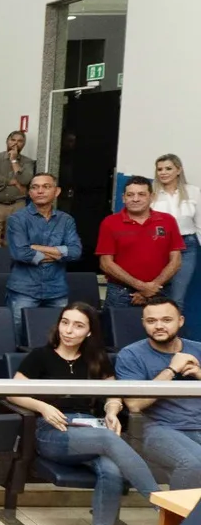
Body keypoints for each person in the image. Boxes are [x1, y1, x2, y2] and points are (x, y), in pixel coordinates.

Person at [9, 302, 158, 525]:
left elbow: (113, 392)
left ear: (89, 332)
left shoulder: (96, 358)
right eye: (65, 323)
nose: (68, 330)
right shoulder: (40, 356)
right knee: (108, 438)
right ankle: (159, 502)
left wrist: (112, 409)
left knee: (110, 469)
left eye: (78, 326)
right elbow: (12, 392)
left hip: (89, 429)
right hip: (51, 430)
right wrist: (42, 407)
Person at [115, 296, 201, 490]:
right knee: (194, 465)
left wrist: (199, 374)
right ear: (143, 323)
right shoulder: (131, 354)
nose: (159, 326)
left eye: (166, 320)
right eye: (152, 321)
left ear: (180, 321)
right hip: (158, 429)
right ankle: (176, 521)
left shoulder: (198, 349)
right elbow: (134, 404)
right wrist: (171, 370)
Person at [6, 172, 82, 338]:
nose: (40, 191)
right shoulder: (17, 219)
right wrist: (60, 253)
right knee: (18, 339)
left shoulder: (66, 220)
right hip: (24, 290)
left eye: (46, 186)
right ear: (30, 193)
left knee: (58, 338)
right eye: (35, 187)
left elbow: (76, 252)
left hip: (57, 290)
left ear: (57, 191)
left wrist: (36, 248)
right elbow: (21, 253)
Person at [99, 175, 185, 309]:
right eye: (130, 195)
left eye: (141, 194)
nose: (135, 199)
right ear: (123, 197)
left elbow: (176, 261)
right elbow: (106, 264)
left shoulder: (168, 221)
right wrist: (142, 287)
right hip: (120, 293)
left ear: (152, 196)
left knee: (159, 330)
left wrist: (152, 288)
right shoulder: (109, 223)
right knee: (118, 330)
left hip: (160, 291)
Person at [153, 154, 201, 312]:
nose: (163, 172)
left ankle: (173, 336)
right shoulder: (152, 193)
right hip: (158, 246)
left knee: (176, 298)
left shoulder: (193, 192)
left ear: (178, 170)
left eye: (168, 168)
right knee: (154, 294)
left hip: (186, 246)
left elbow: (199, 224)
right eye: (159, 169)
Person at [0, 131, 35, 246]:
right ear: (7, 141)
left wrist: (14, 160)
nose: (15, 143)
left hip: (17, 206)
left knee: (13, 243)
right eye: (13, 140)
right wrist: (11, 182)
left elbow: (25, 179)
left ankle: (9, 265)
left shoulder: (27, 162)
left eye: (20, 141)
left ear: (24, 144)